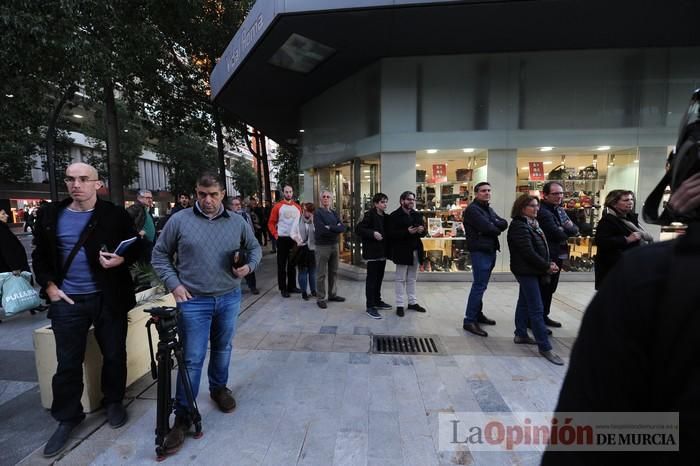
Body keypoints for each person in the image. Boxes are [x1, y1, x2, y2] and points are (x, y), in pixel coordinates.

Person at [32, 163, 141, 458]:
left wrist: (122, 260)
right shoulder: (50, 215)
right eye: (70, 179)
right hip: (68, 301)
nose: (75, 184)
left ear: (97, 184)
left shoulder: (114, 215)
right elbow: (39, 257)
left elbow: (137, 247)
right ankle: (68, 417)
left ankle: (114, 401)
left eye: (83, 179)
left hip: (108, 297)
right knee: (67, 362)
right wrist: (50, 287)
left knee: (115, 354)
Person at [152, 172, 261, 454]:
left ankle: (218, 389)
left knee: (223, 347)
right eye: (202, 194)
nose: (208, 200)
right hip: (194, 301)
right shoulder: (179, 220)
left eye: (213, 194)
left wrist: (248, 267)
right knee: (191, 358)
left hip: (228, 297)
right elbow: (160, 254)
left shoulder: (237, 221)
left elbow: (255, 249)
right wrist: (174, 284)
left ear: (223, 194)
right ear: (195, 193)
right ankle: (184, 416)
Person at [507, 195, 563, 365]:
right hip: (526, 271)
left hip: (532, 269)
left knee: (524, 302)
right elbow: (528, 252)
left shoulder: (531, 224)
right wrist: (546, 266)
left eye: (537, 206)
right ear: (521, 208)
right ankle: (544, 347)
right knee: (536, 309)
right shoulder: (519, 226)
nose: (536, 209)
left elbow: (538, 249)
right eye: (531, 206)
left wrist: (548, 262)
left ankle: (521, 334)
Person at [461, 182, 508, 336]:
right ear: (476, 193)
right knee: (479, 285)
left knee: (482, 285)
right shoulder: (473, 210)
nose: (487, 193)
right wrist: (493, 226)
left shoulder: (487, 208)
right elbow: (488, 228)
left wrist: (493, 225)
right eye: (483, 191)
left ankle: (477, 314)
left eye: (489, 190)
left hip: (490, 249)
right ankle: (469, 320)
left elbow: (504, 223)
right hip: (480, 251)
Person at [536, 181, 579, 330]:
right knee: (544, 287)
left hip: (559, 253)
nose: (559, 196)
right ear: (545, 195)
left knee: (551, 287)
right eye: (555, 193)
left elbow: (574, 229)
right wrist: (564, 230)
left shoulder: (559, 210)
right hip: (548, 254)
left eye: (561, 193)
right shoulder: (543, 211)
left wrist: (564, 230)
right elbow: (557, 233)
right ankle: (536, 319)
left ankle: (543, 316)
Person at [593, 190, 653, 289]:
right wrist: (626, 239)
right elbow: (601, 242)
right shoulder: (607, 221)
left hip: (630, 265)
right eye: (625, 200)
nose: (630, 202)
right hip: (614, 269)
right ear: (614, 203)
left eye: (631, 199)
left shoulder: (630, 218)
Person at [387, 191, 427, 316]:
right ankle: (399, 304)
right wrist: (406, 232)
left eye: (413, 200)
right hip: (401, 251)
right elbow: (390, 235)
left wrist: (421, 230)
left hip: (416, 250)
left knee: (412, 278)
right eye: (409, 199)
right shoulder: (394, 216)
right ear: (402, 201)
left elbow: (423, 233)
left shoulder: (417, 214)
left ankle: (412, 302)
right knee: (400, 279)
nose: (411, 201)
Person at [356, 192, 392, 319]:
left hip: (382, 253)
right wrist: (373, 233)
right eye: (382, 202)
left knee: (379, 278)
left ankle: (377, 301)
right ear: (376, 204)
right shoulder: (369, 215)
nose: (385, 204)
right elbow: (358, 229)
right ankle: (370, 306)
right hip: (372, 253)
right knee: (371, 280)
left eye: (386, 201)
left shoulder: (386, 217)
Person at [313, 190, 346, 309]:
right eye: (324, 197)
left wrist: (330, 227)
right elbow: (321, 230)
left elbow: (342, 227)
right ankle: (320, 298)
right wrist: (334, 228)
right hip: (322, 246)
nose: (326, 198)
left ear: (331, 199)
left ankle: (332, 294)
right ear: (321, 199)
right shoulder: (317, 213)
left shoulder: (333, 212)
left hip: (334, 245)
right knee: (321, 273)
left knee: (334, 272)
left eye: (328, 197)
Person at [267, 185, 302, 297]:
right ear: (283, 193)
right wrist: (276, 235)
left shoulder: (297, 207)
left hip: (294, 239)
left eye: (290, 191)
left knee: (292, 264)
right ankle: (283, 288)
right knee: (282, 265)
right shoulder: (277, 206)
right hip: (282, 239)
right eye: (286, 192)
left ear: (293, 193)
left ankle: (292, 286)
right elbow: (271, 223)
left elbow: (300, 223)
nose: (288, 194)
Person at [228, 196, 260, 294]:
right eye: (236, 205)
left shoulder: (245, 215)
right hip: (234, 245)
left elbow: (250, 228)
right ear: (230, 206)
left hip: (245, 244)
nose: (239, 206)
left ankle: (252, 286)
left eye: (239, 204)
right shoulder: (228, 217)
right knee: (234, 264)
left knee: (248, 262)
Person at [291, 203, 317, 300]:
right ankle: (304, 292)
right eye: (305, 210)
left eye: (309, 211)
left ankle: (313, 290)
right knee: (303, 271)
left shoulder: (314, 221)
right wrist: (298, 240)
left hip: (312, 249)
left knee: (313, 271)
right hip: (301, 248)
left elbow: (318, 233)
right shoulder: (298, 220)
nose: (307, 213)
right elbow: (292, 232)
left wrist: (313, 222)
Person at [126, 189, 156, 263]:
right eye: (147, 198)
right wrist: (137, 233)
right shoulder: (136, 208)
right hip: (141, 244)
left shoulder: (146, 210)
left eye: (151, 198)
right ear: (139, 198)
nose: (150, 200)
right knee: (142, 269)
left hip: (147, 244)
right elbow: (124, 223)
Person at [0, 208, 30, 274]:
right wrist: (15, 268)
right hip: (13, 271)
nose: (7, 215)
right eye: (3, 214)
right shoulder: (2, 230)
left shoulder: (4, 228)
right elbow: (6, 249)